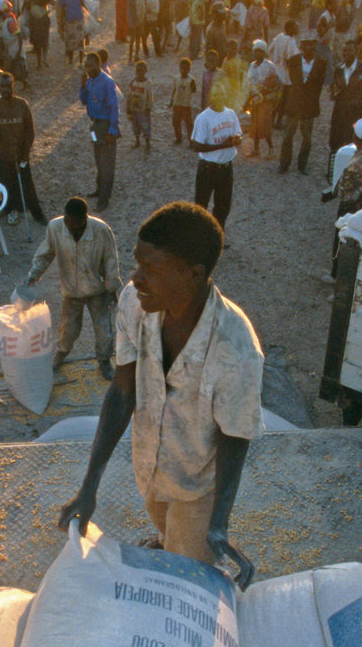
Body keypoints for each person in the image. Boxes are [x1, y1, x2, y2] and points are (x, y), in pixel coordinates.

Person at [57, 201, 261, 582]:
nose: (134, 278)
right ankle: (171, 541)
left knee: (185, 575)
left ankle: (187, 550)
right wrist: (89, 486)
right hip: (149, 468)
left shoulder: (237, 348)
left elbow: (235, 435)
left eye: (151, 269)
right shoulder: (135, 304)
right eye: (137, 264)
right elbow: (121, 392)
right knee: (170, 534)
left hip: (196, 485)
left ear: (193, 274)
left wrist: (219, 522)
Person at [26, 196, 119, 378]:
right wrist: (34, 275)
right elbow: (45, 254)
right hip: (71, 291)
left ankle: (104, 361)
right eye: (67, 221)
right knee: (67, 329)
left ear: (85, 219)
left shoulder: (100, 230)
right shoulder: (55, 227)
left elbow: (111, 260)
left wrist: (112, 288)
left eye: (74, 223)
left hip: (97, 290)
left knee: (104, 330)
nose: (69, 226)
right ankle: (60, 355)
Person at [0, 71, 46, 226]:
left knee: (27, 183)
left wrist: (26, 151)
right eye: (2, 86)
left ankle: (37, 213)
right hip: (3, 154)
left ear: (13, 85)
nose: (6, 89)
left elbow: (30, 131)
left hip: (21, 153)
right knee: (7, 184)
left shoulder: (22, 104)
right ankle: (11, 210)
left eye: (9, 86)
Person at [321, 116, 362, 279]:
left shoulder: (357, 163)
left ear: (355, 136)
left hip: (351, 207)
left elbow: (345, 191)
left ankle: (337, 277)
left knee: (341, 244)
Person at [190, 84, 240, 230]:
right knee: (201, 207)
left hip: (226, 167)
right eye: (216, 95)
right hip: (208, 168)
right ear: (211, 97)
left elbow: (238, 134)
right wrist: (222, 146)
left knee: (223, 206)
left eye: (222, 94)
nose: (220, 98)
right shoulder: (203, 118)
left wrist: (238, 139)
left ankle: (218, 236)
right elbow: (196, 146)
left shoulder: (230, 114)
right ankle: (199, 238)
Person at [78, 51, 120, 211]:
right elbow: (83, 101)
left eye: (90, 65)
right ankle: (99, 188)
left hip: (105, 125)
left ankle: (104, 197)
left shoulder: (107, 82)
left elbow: (114, 108)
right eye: (85, 66)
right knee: (98, 159)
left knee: (107, 163)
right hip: (95, 125)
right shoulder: (90, 81)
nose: (87, 69)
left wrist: (112, 131)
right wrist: (82, 86)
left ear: (98, 64)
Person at [279, 32, 325, 175]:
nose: (308, 47)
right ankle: (284, 163)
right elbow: (292, 81)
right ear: (301, 45)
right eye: (305, 44)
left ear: (315, 45)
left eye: (311, 44)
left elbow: (319, 86)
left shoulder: (321, 63)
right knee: (287, 136)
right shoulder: (293, 61)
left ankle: (302, 164)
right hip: (294, 104)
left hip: (309, 106)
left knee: (307, 137)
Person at [327, 39, 362, 161]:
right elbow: (334, 87)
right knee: (336, 139)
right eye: (344, 50)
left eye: (349, 51)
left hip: (355, 111)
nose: (345, 53)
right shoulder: (339, 68)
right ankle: (333, 166)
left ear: (356, 52)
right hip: (339, 110)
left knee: (352, 139)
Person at [127, 60, 154, 151]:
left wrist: (148, 107)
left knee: (146, 126)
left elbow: (150, 96)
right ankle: (137, 141)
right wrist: (128, 108)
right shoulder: (133, 82)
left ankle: (147, 143)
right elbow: (129, 95)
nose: (139, 72)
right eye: (137, 70)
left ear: (145, 71)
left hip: (143, 110)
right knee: (135, 126)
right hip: (134, 109)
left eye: (141, 70)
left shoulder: (147, 83)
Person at [168, 56, 196, 144]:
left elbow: (194, 90)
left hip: (186, 105)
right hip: (177, 104)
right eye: (182, 68)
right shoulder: (176, 78)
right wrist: (171, 101)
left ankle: (191, 140)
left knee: (188, 124)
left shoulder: (191, 80)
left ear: (189, 69)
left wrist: (193, 85)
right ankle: (178, 138)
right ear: (179, 68)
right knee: (176, 122)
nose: (184, 70)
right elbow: (174, 90)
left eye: (186, 69)